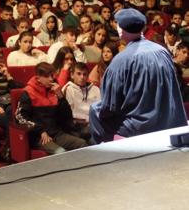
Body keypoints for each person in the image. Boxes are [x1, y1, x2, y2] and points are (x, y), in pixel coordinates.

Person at [89, 8, 188, 144]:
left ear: (120, 30)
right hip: (169, 119)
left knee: (95, 110)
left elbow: (110, 105)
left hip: (140, 126)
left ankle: (107, 153)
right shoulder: (162, 51)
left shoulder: (120, 61)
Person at [15, 62, 88, 154]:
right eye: (47, 76)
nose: (51, 79)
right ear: (38, 78)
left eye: (52, 75)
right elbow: (19, 117)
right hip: (39, 136)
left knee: (83, 144)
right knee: (60, 152)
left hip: (57, 133)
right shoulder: (28, 93)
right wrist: (40, 131)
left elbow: (66, 116)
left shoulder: (55, 91)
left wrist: (61, 96)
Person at [62, 62, 100, 141]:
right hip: (77, 126)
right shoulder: (68, 89)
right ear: (72, 75)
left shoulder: (95, 89)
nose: (82, 77)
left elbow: (100, 108)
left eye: (84, 74)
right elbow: (70, 114)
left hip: (94, 123)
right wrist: (89, 120)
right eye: (78, 74)